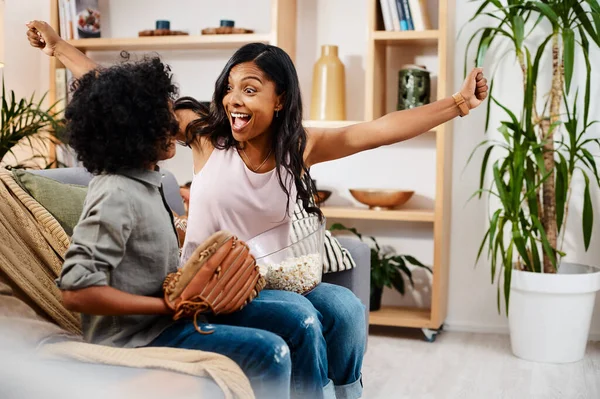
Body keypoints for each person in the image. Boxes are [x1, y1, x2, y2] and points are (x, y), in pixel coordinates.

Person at [27, 19, 488, 399]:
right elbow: (126, 98)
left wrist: (458, 104)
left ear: (279, 99)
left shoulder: (299, 148)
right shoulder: (208, 136)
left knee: (345, 307)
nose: (233, 100)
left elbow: (380, 128)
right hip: (213, 282)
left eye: (250, 89)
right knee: (301, 317)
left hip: (271, 276)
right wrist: (61, 46)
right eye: (230, 88)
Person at [27, 40, 292, 399]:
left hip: (165, 323)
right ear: (131, 128)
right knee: (268, 352)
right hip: (135, 340)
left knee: (293, 323)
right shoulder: (116, 193)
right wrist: (166, 305)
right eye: (162, 116)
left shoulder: (150, 183)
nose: (173, 124)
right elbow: (75, 290)